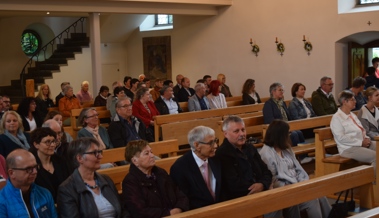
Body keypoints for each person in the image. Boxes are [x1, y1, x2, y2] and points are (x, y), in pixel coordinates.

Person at [260, 120, 331, 218]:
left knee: (319, 194)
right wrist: (294, 186)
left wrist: (302, 183)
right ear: (280, 135)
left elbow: (298, 169)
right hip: (286, 191)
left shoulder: (286, 149)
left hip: (298, 185)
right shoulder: (266, 153)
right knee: (312, 200)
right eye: (287, 133)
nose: (289, 136)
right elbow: (273, 180)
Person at [57, 138, 127, 218]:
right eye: (95, 153)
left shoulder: (106, 180)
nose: (100, 156)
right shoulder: (67, 189)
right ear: (79, 158)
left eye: (100, 152)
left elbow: (122, 210)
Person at [122, 140, 189, 217]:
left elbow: (180, 194)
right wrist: (169, 213)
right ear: (135, 161)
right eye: (146, 153)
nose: (152, 155)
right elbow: (139, 211)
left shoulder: (160, 173)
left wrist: (179, 208)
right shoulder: (130, 182)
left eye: (151, 152)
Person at [170, 126, 221, 210]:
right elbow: (184, 200)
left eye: (215, 141)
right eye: (210, 143)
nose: (215, 146)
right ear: (197, 145)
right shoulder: (179, 168)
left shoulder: (216, 159)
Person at [0, 149, 57, 217]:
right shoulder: (2, 201)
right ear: (11, 173)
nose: (35, 172)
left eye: (35, 167)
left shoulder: (45, 193)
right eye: (29, 169)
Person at [331, 90, 376, 171]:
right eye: (352, 100)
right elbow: (341, 138)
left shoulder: (351, 115)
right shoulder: (337, 118)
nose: (355, 101)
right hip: (348, 148)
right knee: (376, 157)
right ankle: (375, 182)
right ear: (345, 102)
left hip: (361, 143)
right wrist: (360, 142)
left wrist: (366, 138)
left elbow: (361, 129)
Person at [29, 127, 70, 202]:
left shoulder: (61, 161)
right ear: (36, 144)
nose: (52, 145)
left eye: (53, 141)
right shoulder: (30, 165)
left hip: (64, 203)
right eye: (48, 142)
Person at [263, 83, 306, 149]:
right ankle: (298, 156)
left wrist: (293, 126)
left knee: (299, 132)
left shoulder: (282, 103)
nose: (282, 92)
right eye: (280, 90)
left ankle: (304, 154)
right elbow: (270, 121)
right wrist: (285, 129)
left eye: (282, 90)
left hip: (287, 128)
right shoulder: (268, 104)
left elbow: (289, 117)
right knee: (294, 135)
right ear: (273, 92)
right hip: (277, 131)